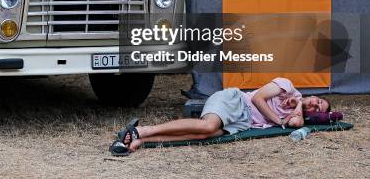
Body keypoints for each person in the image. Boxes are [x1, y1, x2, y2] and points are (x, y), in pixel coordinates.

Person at [113, 77, 330, 154]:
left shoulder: (297, 108)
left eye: (318, 109)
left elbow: (294, 124)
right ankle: (142, 129)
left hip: (242, 122)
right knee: (207, 127)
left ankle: (141, 141)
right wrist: (281, 117)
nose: (316, 104)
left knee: (202, 135)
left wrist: (300, 106)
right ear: (314, 95)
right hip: (235, 101)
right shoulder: (287, 86)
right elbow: (257, 99)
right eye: (318, 101)